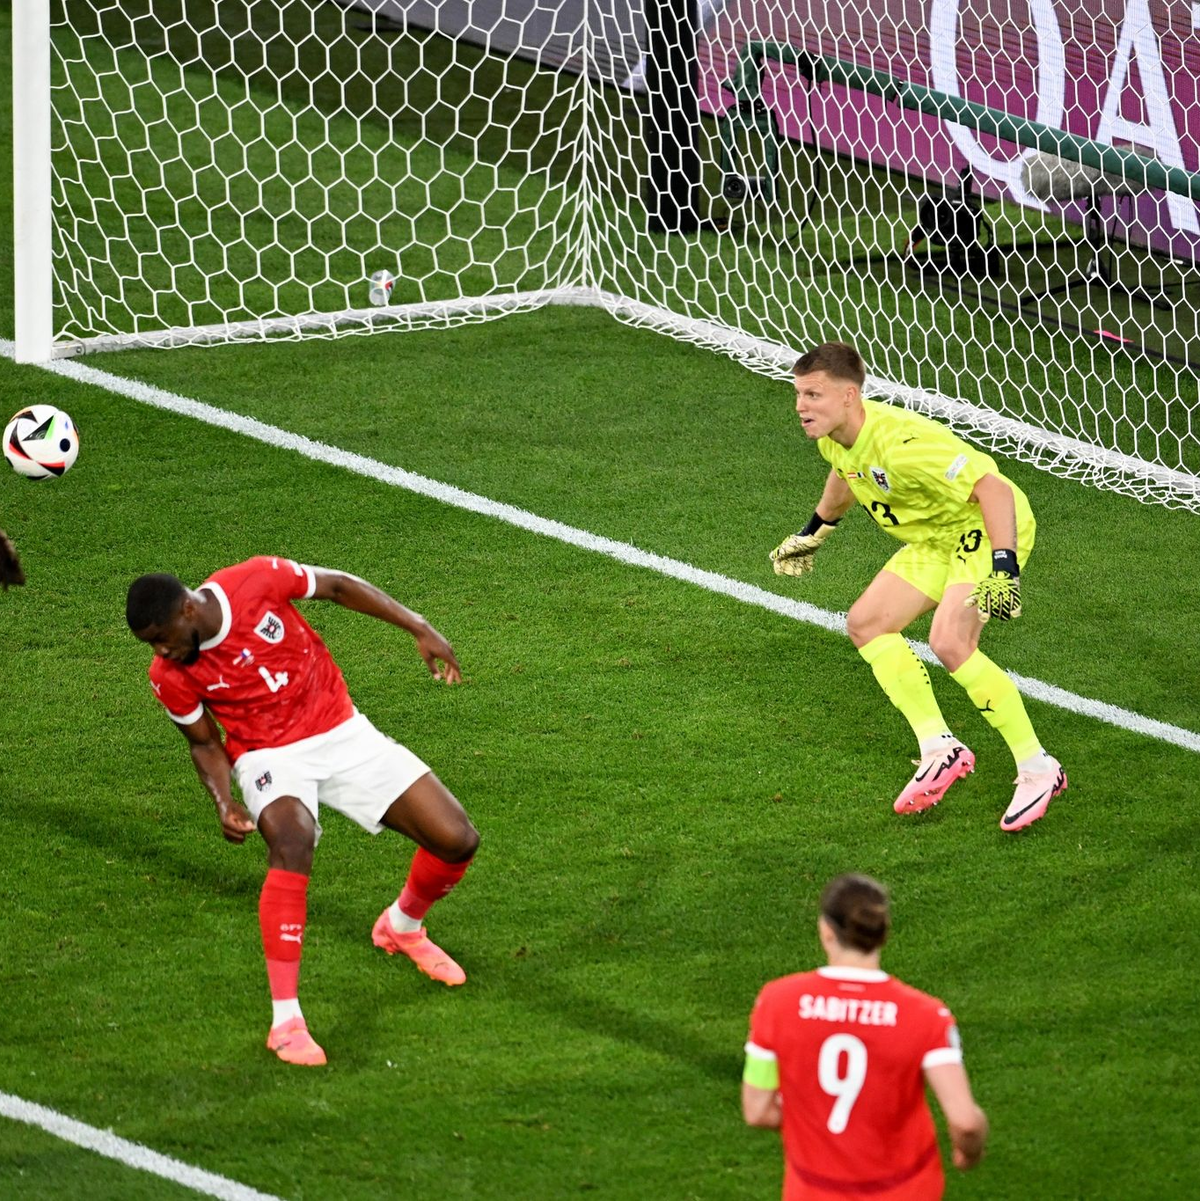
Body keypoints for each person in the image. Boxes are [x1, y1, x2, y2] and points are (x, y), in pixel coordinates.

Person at [125, 556, 479, 1067]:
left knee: (456, 838)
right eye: (152, 646)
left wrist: (418, 626)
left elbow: (338, 585)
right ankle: (286, 1020)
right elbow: (204, 745)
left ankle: (401, 927)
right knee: (292, 843)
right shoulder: (169, 674)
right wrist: (225, 802)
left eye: (163, 637)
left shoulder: (256, 580)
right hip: (267, 756)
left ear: (188, 608)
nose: (161, 651)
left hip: (340, 730)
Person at [770, 342, 1067, 831]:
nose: (802, 406)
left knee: (950, 640)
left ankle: (1038, 767)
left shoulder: (905, 444)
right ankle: (939, 748)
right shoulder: (833, 436)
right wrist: (815, 531)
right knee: (867, 623)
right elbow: (846, 474)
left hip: (983, 527)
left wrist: (1003, 565)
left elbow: (991, 488)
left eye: (814, 395)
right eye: (799, 393)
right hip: (934, 539)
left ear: (850, 396)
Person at [742, 874, 988, 1200]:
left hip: (813, 1191)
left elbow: (758, 1110)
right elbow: (965, 1122)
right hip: (906, 1190)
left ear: (826, 931)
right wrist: (970, 1152)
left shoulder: (776, 1002)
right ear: (883, 932)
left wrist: (812, 1123)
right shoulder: (925, 1015)